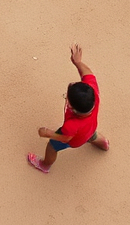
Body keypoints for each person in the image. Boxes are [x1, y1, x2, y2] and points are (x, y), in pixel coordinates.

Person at [27, 44, 109, 173]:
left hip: (75, 139)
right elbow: (88, 73)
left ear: (71, 107)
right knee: (91, 135)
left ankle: (44, 165)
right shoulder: (92, 91)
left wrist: (48, 133)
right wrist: (78, 63)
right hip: (90, 127)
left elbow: (66, 138)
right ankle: (103, 144)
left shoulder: (71, 125)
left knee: (52, 146)